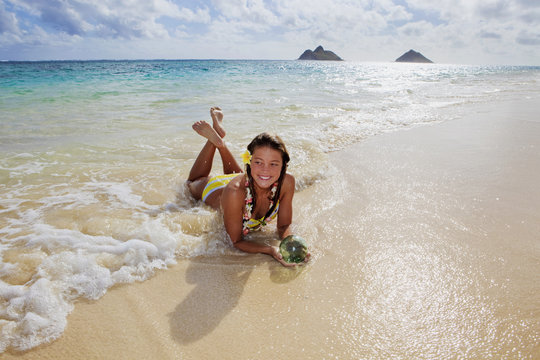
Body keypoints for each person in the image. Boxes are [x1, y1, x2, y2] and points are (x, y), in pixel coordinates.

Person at [186, 107, 307, 267]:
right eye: (258, 162)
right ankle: (215, 141)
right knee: (191, 183)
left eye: (273, 164)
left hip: (246, 181)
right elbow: (235, 241)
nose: (266, 169)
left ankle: (220, 142)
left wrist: (294, 245)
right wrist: (270, 250)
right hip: (216, 188)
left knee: (252, 177)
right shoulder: (235, 192)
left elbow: (284, 226)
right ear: (249, 162)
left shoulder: (287, 182)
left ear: (283, 166)